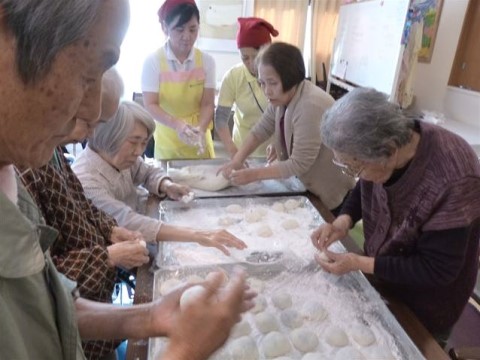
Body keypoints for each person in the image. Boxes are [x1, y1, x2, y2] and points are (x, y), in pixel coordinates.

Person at [0, 1, 254, 359]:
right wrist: (183, 351)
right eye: (88, 76)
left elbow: (45, 302)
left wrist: (149, 316)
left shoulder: (18, 168)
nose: (88, 114)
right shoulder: (35, 163)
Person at [311, 87, 480, 344]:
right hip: (384, 277)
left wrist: (359, 263)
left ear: (389, 151)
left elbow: (437, 270)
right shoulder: (382, 145)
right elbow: (364, 185)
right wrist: (344, 220)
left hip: (426, 304)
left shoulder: (453, 177)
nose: (353, 173)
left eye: (354, 166)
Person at [18, 68, 149, 360]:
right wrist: (109, 256)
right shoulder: (24, 165)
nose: (92, 133)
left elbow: (83, 205)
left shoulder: (55, 152)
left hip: (96, 306)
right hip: (74, 329)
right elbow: (43, 279)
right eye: (90, 122)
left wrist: (110, 230)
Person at [73, 101, 247, 254]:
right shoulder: (86, 181)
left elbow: (147, 172)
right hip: (114, 250)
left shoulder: (121, 155)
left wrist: (166, 185)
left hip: (141, 221)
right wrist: (198, 235)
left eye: (143, 143)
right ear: (111, 136)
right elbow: (126, 221)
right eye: (134, 142)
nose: (139, 151)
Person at [219, 42, 354, 213]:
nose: (266, 90)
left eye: (272, 83)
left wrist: (253, 174)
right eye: (262, 83)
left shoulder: (310, 105)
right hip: (306, 184)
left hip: (328, 191)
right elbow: (260, 131)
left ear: (290, 78)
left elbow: (299, 163)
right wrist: (237, 161)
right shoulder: (281, 98)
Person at [142, 0, 215, 160]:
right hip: (168, 141)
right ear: (165, 28)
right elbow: (150, 104)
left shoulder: (206, 61)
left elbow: (207, 104)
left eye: (192, 29)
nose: (187, 37)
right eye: (179, 29)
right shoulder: (153, 62)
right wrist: (178, 124)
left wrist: (201, 129)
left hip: (199, 141)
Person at [214, 17, 278, 158]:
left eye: (256, 57)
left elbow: (289, 116)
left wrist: (279, 143)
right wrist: (232, 150)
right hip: (242, 149)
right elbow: (221, 119)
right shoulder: (233, 76)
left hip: (274, 151)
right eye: (244, 57)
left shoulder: (281, 75)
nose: (251, 63)